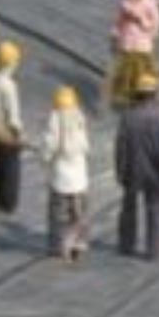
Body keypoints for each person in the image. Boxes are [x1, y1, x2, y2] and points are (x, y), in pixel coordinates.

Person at [114, 70, 159, 259]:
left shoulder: (127, 117)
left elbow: (120, 148)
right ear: (155, 93)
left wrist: (120, 171)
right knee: (155, 209)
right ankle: (154, 251)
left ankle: (126, 245)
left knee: (128, 208)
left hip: (132, 170)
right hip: (155, 171)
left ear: (136, 93)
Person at [42, 84, 92, 262]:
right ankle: (79, 242)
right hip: (79, 179)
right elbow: (86, 146)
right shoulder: (79, 117)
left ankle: (57, 245)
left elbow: (50, 144)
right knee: (79, 213)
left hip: (60, 179)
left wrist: (45, 157)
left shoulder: (55, 118)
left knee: (57, 214)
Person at [105, 0, 159, 110]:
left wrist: (142, 21)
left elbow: (156, 22)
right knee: (126, 72)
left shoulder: (150, 3)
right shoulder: (125, 3)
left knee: (143, 71)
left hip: (143, 45)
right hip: (128, 44)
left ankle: (146, 96)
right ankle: (126, 97)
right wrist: (115, 34)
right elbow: (119, 21)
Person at [0, 39, 25, 213]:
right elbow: (13, 115)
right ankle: (8, 202)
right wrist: (18, 133)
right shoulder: (9, 86)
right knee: (11, 169)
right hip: (7, 132)